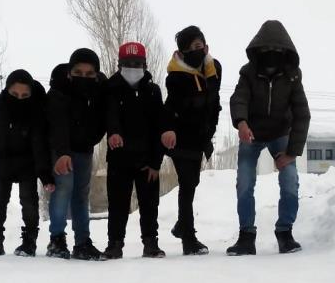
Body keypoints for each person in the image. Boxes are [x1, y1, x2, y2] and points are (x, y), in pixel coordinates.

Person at [226, 19, 311, 256]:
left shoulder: (293, 76)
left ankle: (285, 232)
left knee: (290, 180)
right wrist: (241, 123)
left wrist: (291, 153)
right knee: (244, 181)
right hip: (251, 134)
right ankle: (246, 237)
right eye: (265, 51)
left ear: (285, 52)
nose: (271, 55)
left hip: (281, 134)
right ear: (257, 52)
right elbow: (238, 99)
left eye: (276, 51)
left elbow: (302, 114)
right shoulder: (248, 73)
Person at [0, 69, 55, 258]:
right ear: (7, 90)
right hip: (2, 163)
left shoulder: (36, 112)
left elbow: (39, 144)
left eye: (25, 95)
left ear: (31, 94)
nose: (19, 98)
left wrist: (45, 174)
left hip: (28, 164)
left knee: (29, 203)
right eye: (15, 94)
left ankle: (29, 242)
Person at [160, 25, 222, 256]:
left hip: (199, 137)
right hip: (180, 137)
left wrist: (209, 131)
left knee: (192, 182)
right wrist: (169, 129)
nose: (201, 50)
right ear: (184, 52)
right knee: (187, 185)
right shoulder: (176, 76)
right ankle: (189, 238)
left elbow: (214, 103)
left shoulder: (214, 69)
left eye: (202, 45)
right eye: (194, 47)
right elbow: (172, 106)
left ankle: (180, 225)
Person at [103, 41, 166, 260]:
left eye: (137, 63)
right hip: (119, 160)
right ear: (119, 64)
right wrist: (113, 132)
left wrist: (156, 163)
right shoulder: (110, 89)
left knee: (150, 206)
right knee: (117, 205)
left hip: (147, 161)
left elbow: (160, 127)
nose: (133, 67)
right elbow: (109, 116)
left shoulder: (153, 91)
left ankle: (151, 244)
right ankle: (114, 244)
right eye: (128, 63)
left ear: (145, 64)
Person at [46, 48, 107, 261]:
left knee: (81, 195)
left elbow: (103, 119)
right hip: (62, 149)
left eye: (90, 73)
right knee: (63, 189)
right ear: (70, 73)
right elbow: (57, 124)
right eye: (78, 72)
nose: (84, 77)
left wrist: (92, 139)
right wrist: (62, 153)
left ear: (96, 74)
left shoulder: (99, 91)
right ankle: (57, 239)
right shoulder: (58, 91)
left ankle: (82, 242)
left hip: (84, 149)